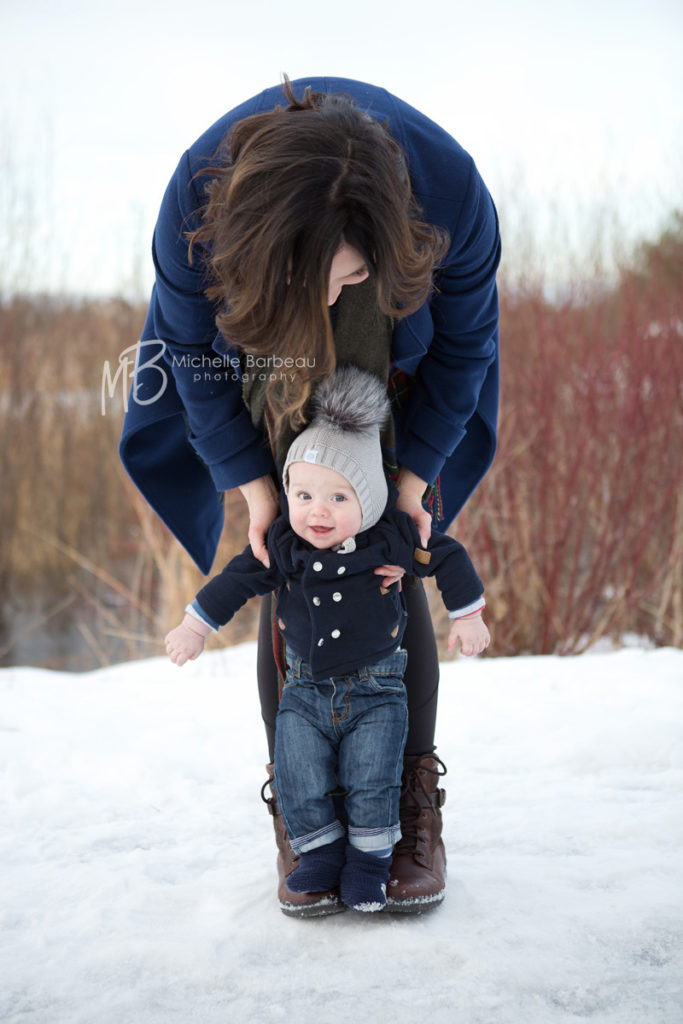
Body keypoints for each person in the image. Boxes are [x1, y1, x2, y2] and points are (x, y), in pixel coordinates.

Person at [120, 75, 501, 912]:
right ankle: (303, 808)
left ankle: (409, 796)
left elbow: (466, 346)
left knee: (381, 539)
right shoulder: (196, 201)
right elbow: (190, 353)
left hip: (403, 337)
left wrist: (408, 487)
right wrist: (256, 491)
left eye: (348, 277)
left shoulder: (450, 190)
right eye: (317, 284)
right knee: (299, 540)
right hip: (256, 320)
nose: (331, 302)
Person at [165, 368, 490, 914]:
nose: (319, 511)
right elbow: (239, 579)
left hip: (376, 693)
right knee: (300, 774)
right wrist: (196, 624)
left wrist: (468, 614)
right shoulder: (286, 545)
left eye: (339, 497)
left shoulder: (389, 538)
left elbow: (447, 557)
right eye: (305, 494)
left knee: (372, 779)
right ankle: (316, 855)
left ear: (369, 499)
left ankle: (368, 864)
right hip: (306, 692)